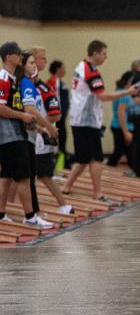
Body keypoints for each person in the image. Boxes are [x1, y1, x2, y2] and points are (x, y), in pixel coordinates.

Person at [62, 40, 139, 199]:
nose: (106, 57)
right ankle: (98, 193)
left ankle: (66, 186)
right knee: (96, 158)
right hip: (87, 120)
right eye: (104, 53)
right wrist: (127, 92)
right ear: (95, 53)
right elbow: (102, 96)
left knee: (83, 158)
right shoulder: (91, 72)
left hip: (78, 118)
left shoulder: (80, 66)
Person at [0, 41, 53, 228]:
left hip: (13, 134)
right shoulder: (4, 77)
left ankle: (1, 214)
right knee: (24, 177)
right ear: (8, 56)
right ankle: (30, 216)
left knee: (6, 176)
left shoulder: (14, 79)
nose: (20, 57)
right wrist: (21, 115)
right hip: (10, 135)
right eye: (17, 54)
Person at [30, 52, 72, 215]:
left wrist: (43, 126)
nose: (44, 61)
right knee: (17, 177)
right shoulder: (29, 85)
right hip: (32, 135)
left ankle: (61, 204)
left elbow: (56, 112)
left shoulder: (43, 86)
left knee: (41, 174)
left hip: (41, 137)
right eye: (40, 58)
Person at [106, 71, 134, 167]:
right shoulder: (124, 94)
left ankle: (135, 170)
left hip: (119, 126)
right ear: (129, 82)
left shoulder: (119, 91)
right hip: (121, 127)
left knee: (124, 151)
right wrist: (126, 132)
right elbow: (121, 112)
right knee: (121, 151)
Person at [47, 59, 70, 167]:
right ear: (58, 69)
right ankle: (57, 164)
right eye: (63, 68)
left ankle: (63, 163)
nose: (65, 70)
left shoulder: (61, 81)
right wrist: (57, 114)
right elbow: (54, 99)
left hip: (62, 116)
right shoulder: (53, 81)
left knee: (62, 139)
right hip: (57, 117)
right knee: (58, 140)